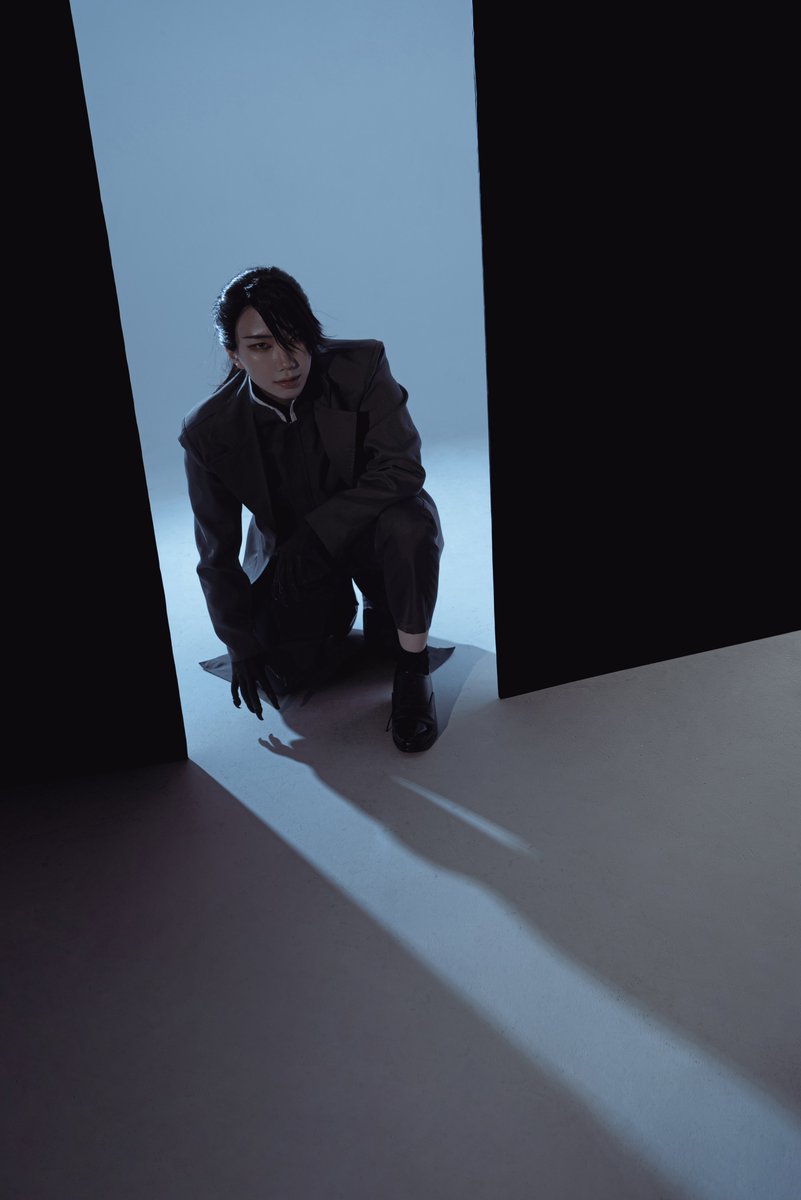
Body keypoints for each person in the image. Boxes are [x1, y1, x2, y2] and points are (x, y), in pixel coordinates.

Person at [178, 265, 445, 752]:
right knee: (293, 675)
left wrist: (319, 531)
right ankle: (347, 612)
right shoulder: (208, 429)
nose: (286, 362)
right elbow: (215, 551)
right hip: (293, 563)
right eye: (261, 346)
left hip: (374, 534)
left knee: (410, 522)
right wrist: (239, 644)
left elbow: (403, 470)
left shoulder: (361, 365)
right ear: (234, 355)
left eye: (294, 338)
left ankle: (412, 669)